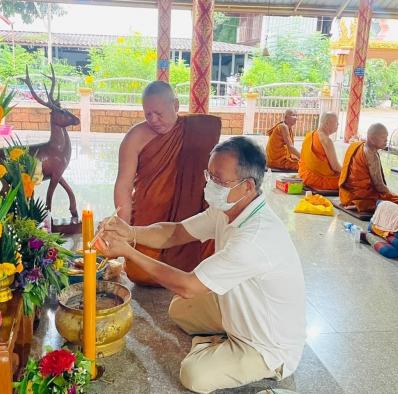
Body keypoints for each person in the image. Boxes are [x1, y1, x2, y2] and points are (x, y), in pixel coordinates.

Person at [98, 136, 305, 393]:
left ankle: (223, 346)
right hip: (238, 307)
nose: (210, 185)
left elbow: (189, 286)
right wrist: (130, 232)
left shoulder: (254, 237)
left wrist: (129, 252)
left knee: (194, 375)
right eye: (210, 175)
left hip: (267, 344)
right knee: (179, 310)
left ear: (248, 186)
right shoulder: (229, 208)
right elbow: (175, 233)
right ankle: (220, 340)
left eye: (219, 180)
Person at [113, 81, 220, 286]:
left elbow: (218, 176)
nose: (153, 119)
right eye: (148, 114)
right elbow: (124, 185)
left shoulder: (198, 133)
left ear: (176, 106)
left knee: (205, 264)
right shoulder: (136, 137)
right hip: (149, 217)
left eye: (158, 113)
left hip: (189, 217)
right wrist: (123, 228)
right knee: (140, 273)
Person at [339, 123, 398, 212]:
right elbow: (380, 187)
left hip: (347, 195)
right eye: (383, 137)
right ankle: (361, 204)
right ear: (372, 139)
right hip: (362, 196)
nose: (386, 140)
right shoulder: (372, 155)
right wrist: (393, 195)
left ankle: (360, 203)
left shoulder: (356, 145)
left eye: (387, 137)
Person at [298, 112, 342, 190]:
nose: (338, 124)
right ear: (327, 123)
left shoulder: (310, 135)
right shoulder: (326, 140)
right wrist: (347, 172)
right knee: (350, 181)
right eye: (336, 122)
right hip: (317, 179)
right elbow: (335, 167)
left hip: (304, 174)